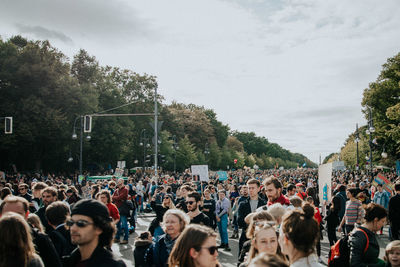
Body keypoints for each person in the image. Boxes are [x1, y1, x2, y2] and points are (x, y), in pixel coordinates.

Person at [0, 195, 62, 267]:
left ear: (26, 215)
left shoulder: (40, 239)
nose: (13, 218)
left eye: (18, 214)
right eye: (8, 214)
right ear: (1, 215)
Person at [62, 199, 126, 267]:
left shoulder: (113, 265)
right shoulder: (67, 261)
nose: (73, 228)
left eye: (81, 223)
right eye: (70, 223)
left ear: (99, 228)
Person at [349, 203, 387, 267]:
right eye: (382, 221)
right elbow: (354, 264)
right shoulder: (359, 235)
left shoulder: (368, 233)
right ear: (375, 220)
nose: (383, 225)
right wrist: (379, 265)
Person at [238, 179, 267, 253]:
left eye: (253, 188)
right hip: (246, 236)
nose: (250, 190)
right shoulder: (242, 204)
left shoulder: (264, 204)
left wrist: (250, 221)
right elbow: (239, 222)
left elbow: (266, 222)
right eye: (249, 188)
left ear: (258, 189)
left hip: (261, 237)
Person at [112, 178, 129, 244]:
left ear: (122, 182)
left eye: (119, 181)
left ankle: (126, 238)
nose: (118, 182)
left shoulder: (125, 190)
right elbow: (112, 197)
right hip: (117, 207)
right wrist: (117, 198)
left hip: (122, 208)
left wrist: (117, 198)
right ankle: (117, 238)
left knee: (124, 224)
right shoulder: (116, 190)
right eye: (118, 181)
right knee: (118, 224)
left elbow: (120, 197)